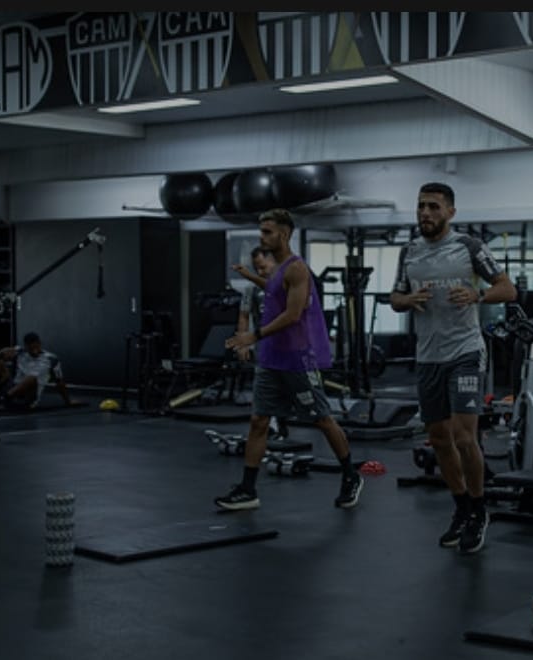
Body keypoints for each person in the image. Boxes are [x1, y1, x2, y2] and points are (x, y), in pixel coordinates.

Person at [390, 182, 517, 554]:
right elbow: (395, 297)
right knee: (440, 439)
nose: (425, 213)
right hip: (428, 356)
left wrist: (478, 294)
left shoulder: (470, 247)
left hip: (465, 350)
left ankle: (479, 510)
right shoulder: (409, 251)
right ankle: (461, 506)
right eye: (420, 207)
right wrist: (406, 299)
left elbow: (508, 289)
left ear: (450, 212)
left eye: (433, 206)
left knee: (464, 436)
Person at [215, 208, 362, 511]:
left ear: (284, 234)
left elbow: (293, 314)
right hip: (271, 359)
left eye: (267, 232)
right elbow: (273, 289)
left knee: (321, 419)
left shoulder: (297, 269)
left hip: (297, 359)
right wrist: (251, 277)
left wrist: (253, 336)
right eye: (261, 231)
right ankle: (248, 489)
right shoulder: (277, 269)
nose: (262, 237)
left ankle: (350, 475)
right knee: (259, 421)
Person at [233, 247, 289, 439]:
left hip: (289, 346)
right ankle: (272, 426)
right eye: (257, 269)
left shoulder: (287, 284)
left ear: (274, 262)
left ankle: (281, 423)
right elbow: (244, 315)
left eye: (264, 267)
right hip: (264, 346)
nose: (261, 272)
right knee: (265, 387)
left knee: (288, 387)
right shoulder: (251, 289)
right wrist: (242, 343)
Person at [0, 332, 78, 410]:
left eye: (36, 347)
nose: (34, 350)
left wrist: (68, 401)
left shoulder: (51, 359)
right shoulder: (21, 352)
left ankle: (2, 400)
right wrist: (3, 356)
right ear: (26, 346)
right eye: (31, 348)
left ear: (40, 344)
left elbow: (59, 382)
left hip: (29, 394)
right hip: (14, 386)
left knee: (32, 377)